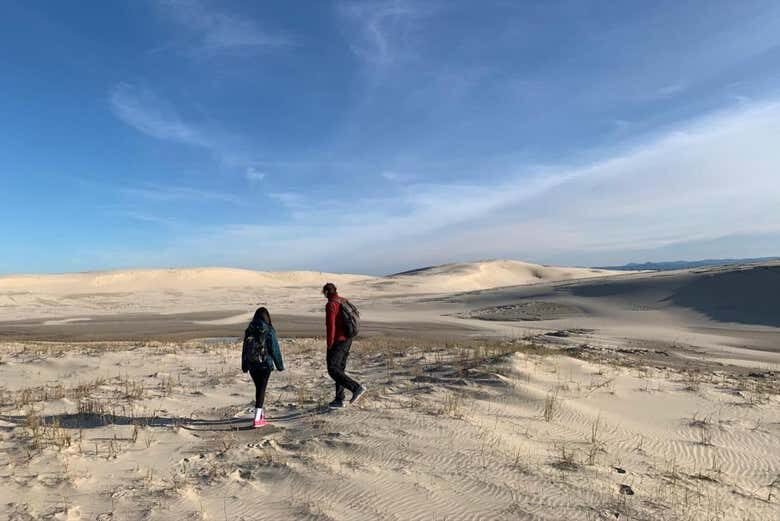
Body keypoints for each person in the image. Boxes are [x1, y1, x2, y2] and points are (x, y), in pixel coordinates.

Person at [322, 282, 366, 408]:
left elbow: (331, 326)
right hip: (348, 339)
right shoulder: (343, 300)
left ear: (326, 292)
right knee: (339, 370)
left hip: (338, 341)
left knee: (333, 369)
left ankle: (356, 388)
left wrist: (329, 344)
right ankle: (339, 399)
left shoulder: (331, 304)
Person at [241, 307, 284, 428]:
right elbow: (274, 349)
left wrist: (244, 365)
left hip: (252, 364)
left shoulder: (249, 330)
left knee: (258, 389)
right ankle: (257, 418)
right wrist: (279, 365)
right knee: (261, 389)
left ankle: (260, 415)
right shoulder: (269, 330)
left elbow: (244, 349)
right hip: (265, 364)